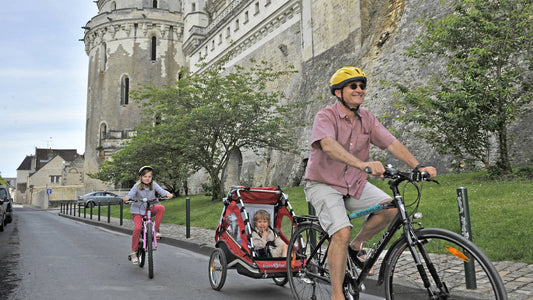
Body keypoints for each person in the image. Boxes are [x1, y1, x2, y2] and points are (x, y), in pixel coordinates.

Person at [304, 66, 437, 300]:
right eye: (353, 86)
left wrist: (417, 167)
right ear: (338, 92)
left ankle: (356, 247)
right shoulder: (326, 116)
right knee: (341, 231)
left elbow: (391, 143)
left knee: (391, 207)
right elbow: (328, 145)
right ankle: (337, 294)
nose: (359, 90)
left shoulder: (367, 119)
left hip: (353, 183)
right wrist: (362, 164)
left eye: (362, 86)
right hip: (323, 183)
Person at [122, 166, 174, 265]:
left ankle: (156, 230)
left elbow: (162, 191)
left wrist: (168, 194)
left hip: (150, 208)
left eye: (149, 176)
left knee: (161, 208)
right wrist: (127, 198)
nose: (147, 178)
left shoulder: (154, 185)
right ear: (141, 177)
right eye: (145, 176)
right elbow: (131, 195)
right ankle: (133, 252)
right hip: (138, 210)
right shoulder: (137, 186)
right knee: (137, 228)